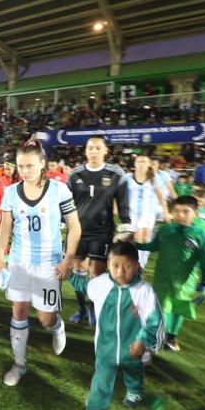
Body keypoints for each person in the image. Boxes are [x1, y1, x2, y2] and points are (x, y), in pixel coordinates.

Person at [0, 141, 81, 386]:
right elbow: (6, 226)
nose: (24, 170)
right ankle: (19, 364)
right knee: (19, 311)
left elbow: (75, 226)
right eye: (21, 166)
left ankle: (57, 326)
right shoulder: (11, 192)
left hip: (48, 265)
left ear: (42, 164)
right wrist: (1, 255)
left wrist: (68, 259)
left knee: (45, 318)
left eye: (30, 165)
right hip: (20, 262)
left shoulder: (59, 190)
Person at [70, 242, 164, 410]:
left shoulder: (144, 291)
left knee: (133, 371)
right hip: (105, 349)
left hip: (133, 349)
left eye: (127, 266)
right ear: (108, 265)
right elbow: (83, 285)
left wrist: (142, 341)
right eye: (115, 266)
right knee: (101, 382)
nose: (121, 272)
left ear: (137, 266)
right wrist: (69, 275)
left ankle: (134, 391)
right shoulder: (100, 284)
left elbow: (155, 320)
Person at [135, 196, 205, 352]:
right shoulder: (166, 229)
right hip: (162, 280)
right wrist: (134, 243)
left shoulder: (200, 235)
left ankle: (172, 337)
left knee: (178, 309)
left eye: (185, 211)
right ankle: (155, 339)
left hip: (185, 283)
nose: (180, 215)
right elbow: (153, 246)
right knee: (162, 309)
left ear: (195, 213)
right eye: (176, 211)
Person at [67, 135, 131, 326]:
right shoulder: (75, 174)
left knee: (97, 274)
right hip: (77, 231)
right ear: (85, 151)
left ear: (105, 151)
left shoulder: (116, 174)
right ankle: (81, 308)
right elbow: (66, 201)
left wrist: (126, 224)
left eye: (97, 148)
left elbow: (123, 202)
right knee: (77, 271)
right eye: (90, 148)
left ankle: (94, 308)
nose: (93, 151)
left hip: (102, 231)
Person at [126, 155, 170, 268]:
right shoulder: (127, 178)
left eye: (144, 162)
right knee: (137, 239)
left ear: (148, 164)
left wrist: (165, 211)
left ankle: (140, 266)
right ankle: (134, 260)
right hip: (132, 213)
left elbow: (161, 196)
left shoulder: (154, 178)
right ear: (134, 164)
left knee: (144, 237)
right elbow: (118, 193)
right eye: (138, 161)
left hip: (148, 213)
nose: (141, 164)